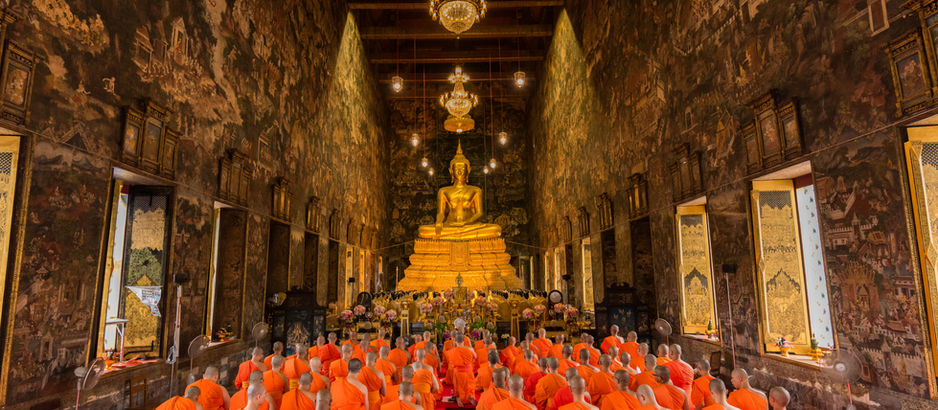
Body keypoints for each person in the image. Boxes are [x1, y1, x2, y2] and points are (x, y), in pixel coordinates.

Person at [447, 332, 478, 406]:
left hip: (458, 372)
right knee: (470, 386)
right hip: (469, 371)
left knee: (458, 387)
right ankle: (470, 396)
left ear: (455, 341)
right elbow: (476, 357)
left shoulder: (452, 351)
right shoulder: (470, 349)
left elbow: (450, 362)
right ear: (464, 340)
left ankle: (459, 398)